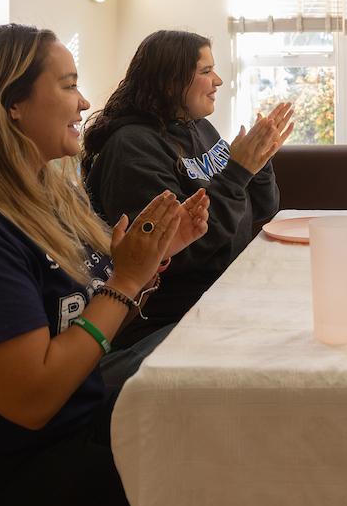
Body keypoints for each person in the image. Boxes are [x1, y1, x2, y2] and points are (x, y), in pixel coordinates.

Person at [0, 24, 210, 506]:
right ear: (13, 103)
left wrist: (150, 261)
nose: (85, 101)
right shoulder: (7, 227)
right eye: (69, 85)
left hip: (86, 404)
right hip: (40, 457)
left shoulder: (56, 197)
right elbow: (32, 401)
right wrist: (126, 281)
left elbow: (88, 326)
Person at [83, 30, 293, 347]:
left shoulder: (199, 128)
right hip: (171, 319)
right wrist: (238, 171)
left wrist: (258, 161)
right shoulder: (132, 149)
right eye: (206, 71)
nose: (218, 80)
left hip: (221, 295)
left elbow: (261, 210)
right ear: (170, 82)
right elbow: (185, 251)